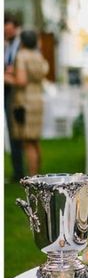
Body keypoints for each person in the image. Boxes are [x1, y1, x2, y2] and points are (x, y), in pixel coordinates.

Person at [4, 29, 49, 176]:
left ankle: (32, 178)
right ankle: (38, 175)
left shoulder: (22, 55)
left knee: (28, 143)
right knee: (34, 141)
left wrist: (5, 77)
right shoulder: (37, 55)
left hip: (24, 103)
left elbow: (21, 81)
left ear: (22, 42)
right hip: (37, 101)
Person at [4, 14, 24, 180]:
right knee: (12, 133)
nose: (7, 32)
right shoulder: (6, 45)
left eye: (9, 29)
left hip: (19, 94)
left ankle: (23, 172)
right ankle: (18, 170)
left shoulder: (22, 45)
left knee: (21, 133)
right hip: (7, 92)